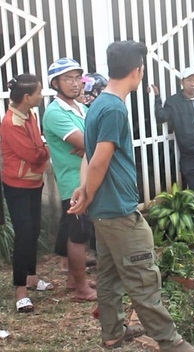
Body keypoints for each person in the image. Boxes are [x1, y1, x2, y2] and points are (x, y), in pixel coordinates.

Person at [68, 41, 194, 351]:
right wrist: (87, 192)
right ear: (137, 71)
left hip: (104, 211)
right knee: (143, 277)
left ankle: (112, 332)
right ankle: (171, 343)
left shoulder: (99, 103)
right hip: (118, 211)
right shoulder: (113, 107)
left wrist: (84, 189)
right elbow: (99, 158)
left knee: (110, 276)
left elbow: (88, 155)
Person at [42, 57, 97, 302]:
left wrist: (89, 145)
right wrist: (89, 145)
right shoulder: (55, 112)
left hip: (86, 178)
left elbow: (93, 141)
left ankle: (75, 279)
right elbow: (90, 142)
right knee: (78, 235)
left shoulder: (81, 108)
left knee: (78, 231)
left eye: (77, 78)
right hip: (73, 183)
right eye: (68, 78)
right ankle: (82, 289)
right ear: (55, 83)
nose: (75, 83)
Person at [0, 74, 52, 313]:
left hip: (33, 182)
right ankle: (20, 290)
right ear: (27, 96)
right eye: (39, 93)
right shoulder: (11, 122)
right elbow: (33, 154)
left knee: (33, 231)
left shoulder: (28, 114)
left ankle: (31, 277)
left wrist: (41, 148)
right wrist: (45, 149)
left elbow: (37, 146)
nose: (41, 96)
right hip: (17, 186)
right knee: (23, 235)